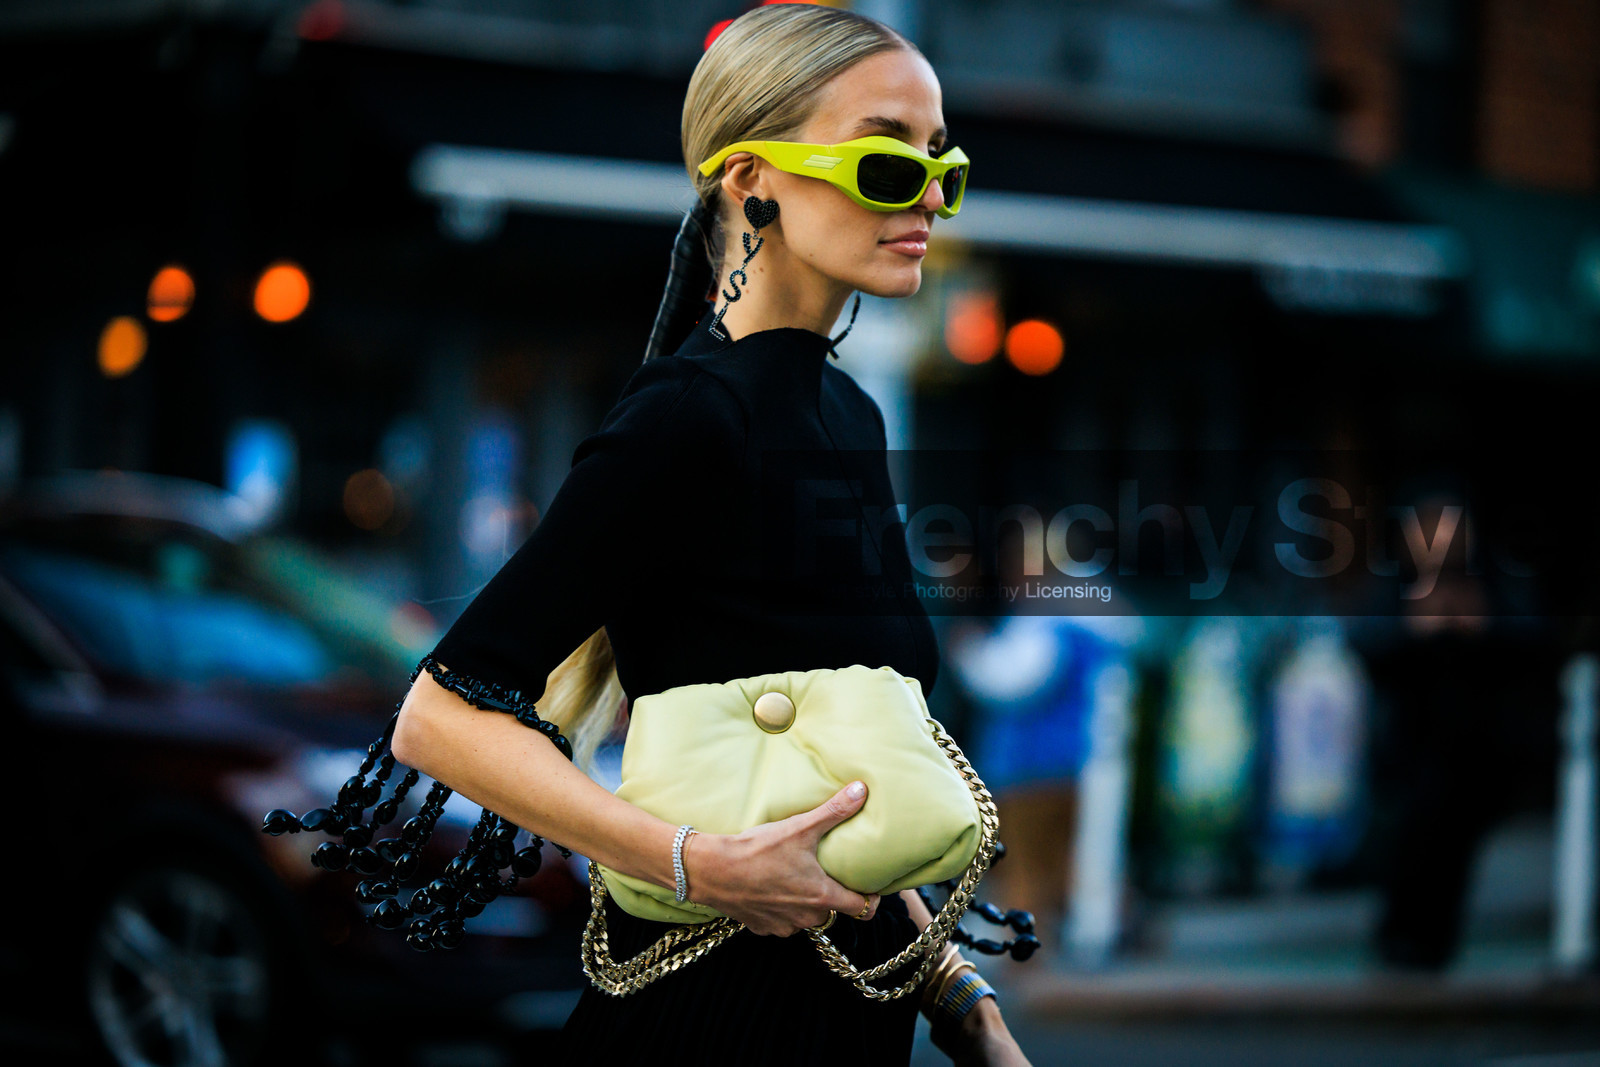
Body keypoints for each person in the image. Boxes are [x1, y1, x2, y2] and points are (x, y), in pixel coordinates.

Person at [389, 6, 1032, 1065]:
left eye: (941, 165)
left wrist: (968, 1004)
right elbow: (439, 714)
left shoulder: (848, 416)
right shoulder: (688, 416)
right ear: (750, 179)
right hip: (700, 1021)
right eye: (886, 162)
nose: (926, 195)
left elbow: (845, 771)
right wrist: (694, 861)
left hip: (847, 1024)